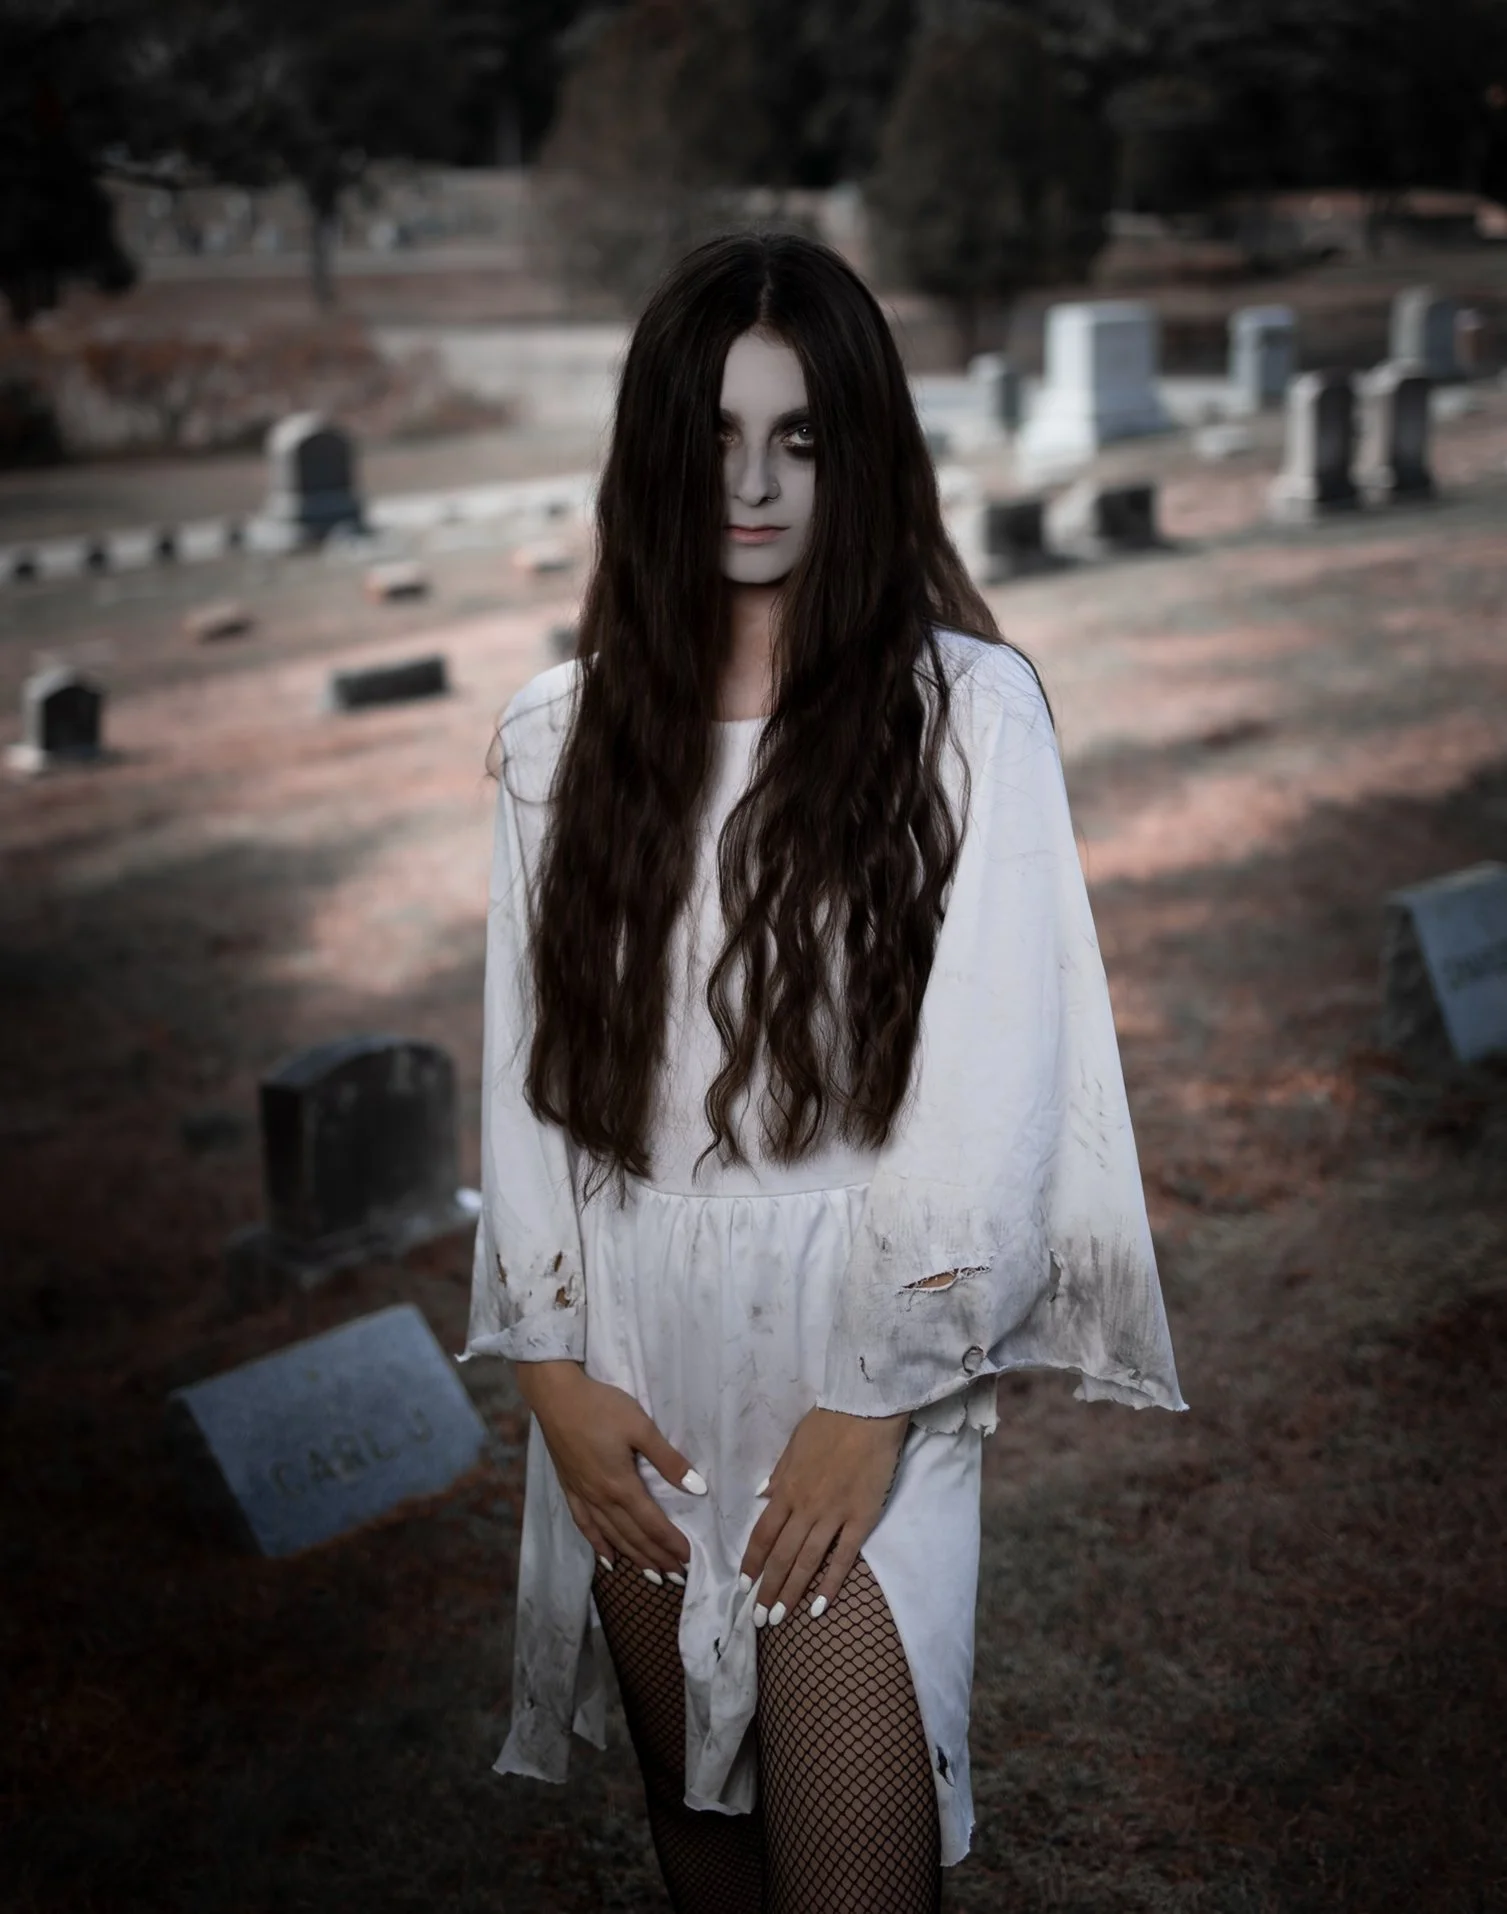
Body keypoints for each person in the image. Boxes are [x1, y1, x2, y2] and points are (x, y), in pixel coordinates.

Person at [459, 231, 1187, 1914]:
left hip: (857, 1338)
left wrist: (875, 1397)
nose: (756, 484)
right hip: (626, 1352)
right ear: (654, 453)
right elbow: (529, 1068)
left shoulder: (965, 716)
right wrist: (551, 1375)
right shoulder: (554, 740)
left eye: (799, 438)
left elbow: (993, 1081)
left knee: (846, 1871)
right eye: (715, 439)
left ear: (861, 452)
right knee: (702, 1855)